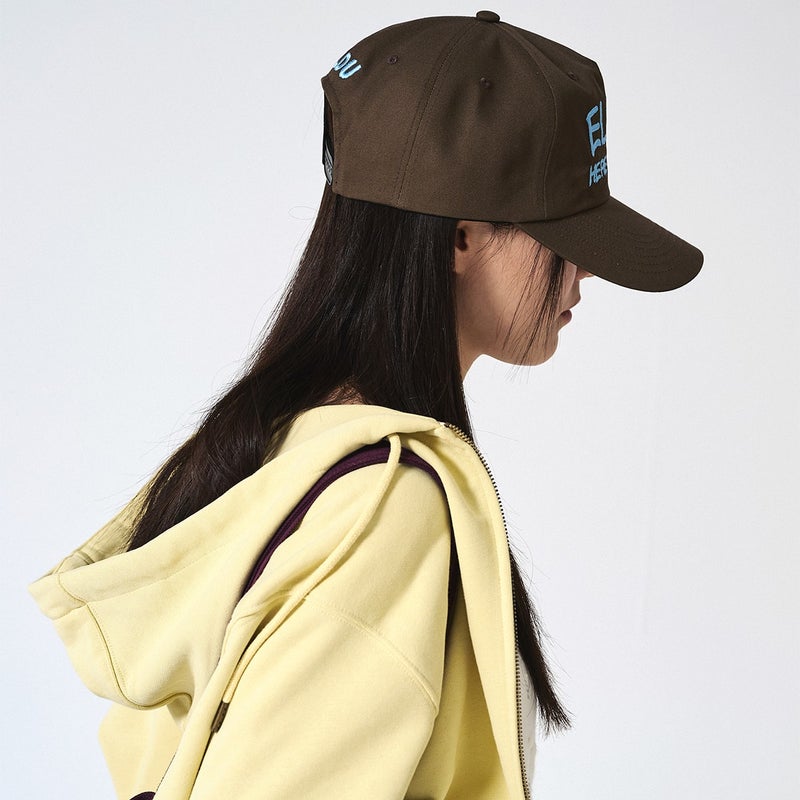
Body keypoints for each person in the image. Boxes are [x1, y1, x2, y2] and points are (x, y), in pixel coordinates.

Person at [29, 10, 702, 800]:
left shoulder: (273, 444)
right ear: (461, 238)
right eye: (566, 238)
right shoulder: (387, 508)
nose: (585, 273)